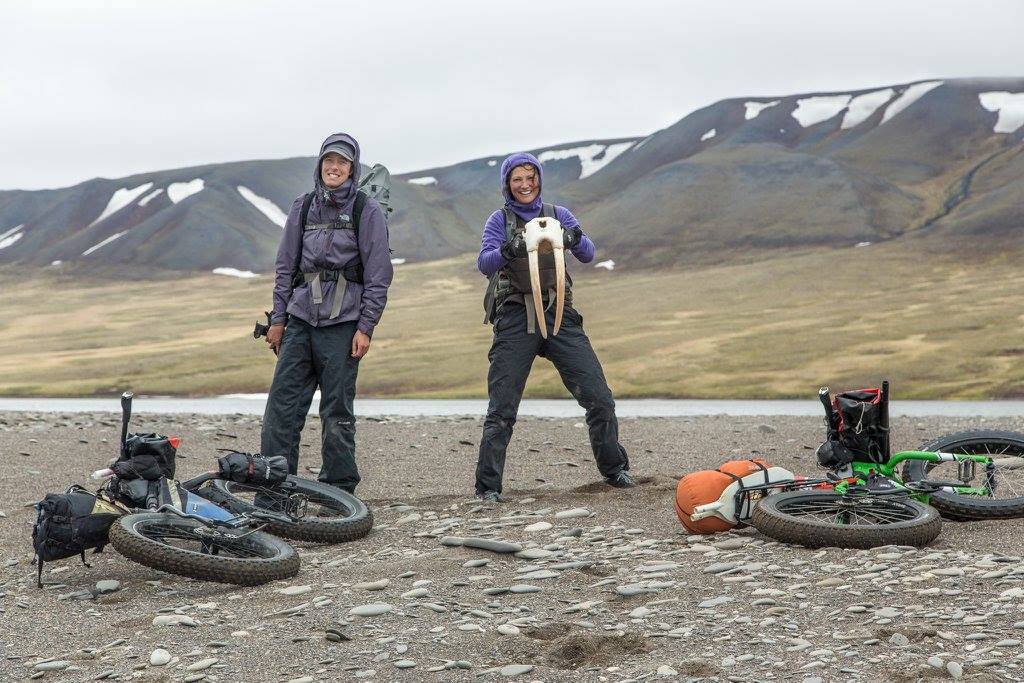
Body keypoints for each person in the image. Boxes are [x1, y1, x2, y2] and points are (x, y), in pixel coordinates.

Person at [475, 152, 634, 502]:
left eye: (530, 177)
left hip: (560, 313)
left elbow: (589, 253)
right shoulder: (498, 220)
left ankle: (614, 470)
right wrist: (510, 247)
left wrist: (575, 238)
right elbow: (484, 263)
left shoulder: (559, 214)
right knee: (502, 408)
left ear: (539, 180)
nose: (525, 184)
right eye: (517, 178)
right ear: (507, 184)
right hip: (516, 316)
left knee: (599, 398)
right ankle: (487, 487)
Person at [261, 133, 393, 494]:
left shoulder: (367, 210)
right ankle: (274, 487)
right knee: (281, 408)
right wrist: (277, 319)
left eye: (343, 163)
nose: (334, 168)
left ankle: (339, 490)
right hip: (301, 320)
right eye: (329, 162)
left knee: (336, 410)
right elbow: (285, 266)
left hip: (344, 323)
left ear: (353, 168)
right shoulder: (302, 207)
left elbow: (379, 274)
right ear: (320, 166)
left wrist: (366, 326)